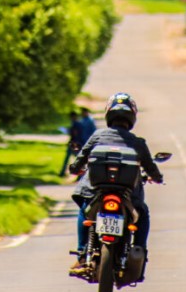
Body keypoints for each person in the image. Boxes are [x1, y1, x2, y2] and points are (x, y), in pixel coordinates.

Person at [67, 92, 164, 276]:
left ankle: (82, 254)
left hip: (95, 192)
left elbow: (79, 161)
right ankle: (139, 249)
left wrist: (74, 169)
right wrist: (157, 178)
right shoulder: (137, 142)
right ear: (132, 117)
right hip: (129, 196)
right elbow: (151, 168)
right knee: (142, 214)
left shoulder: (97, 136)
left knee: (84, 211)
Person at [59, 111, 83, 177]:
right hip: (78, 143)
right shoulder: (80, 123)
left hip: (74, 143)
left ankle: (63, 173)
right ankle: (79, 174)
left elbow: (75, 134)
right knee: (77, 160)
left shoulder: (75, 124)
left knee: (70, 159)